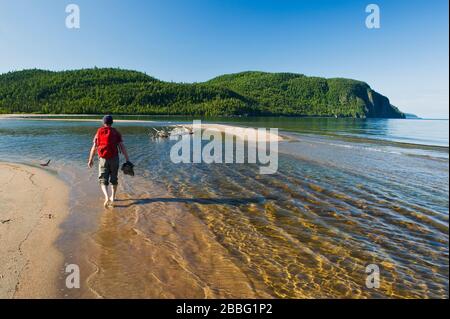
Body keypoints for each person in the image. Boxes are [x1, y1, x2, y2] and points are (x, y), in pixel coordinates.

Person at [88, 115, 130, 208]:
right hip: (114, 158)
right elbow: (122, 147)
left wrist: (90, 159)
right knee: (114, 179)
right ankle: (113, 197)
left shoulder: (99, 132)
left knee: (103, 179)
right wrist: (127, 159)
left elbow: (94, 147)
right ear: (112, 122)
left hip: (103, 159)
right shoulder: (116, 132)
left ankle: (106, 197)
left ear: (104, 123)